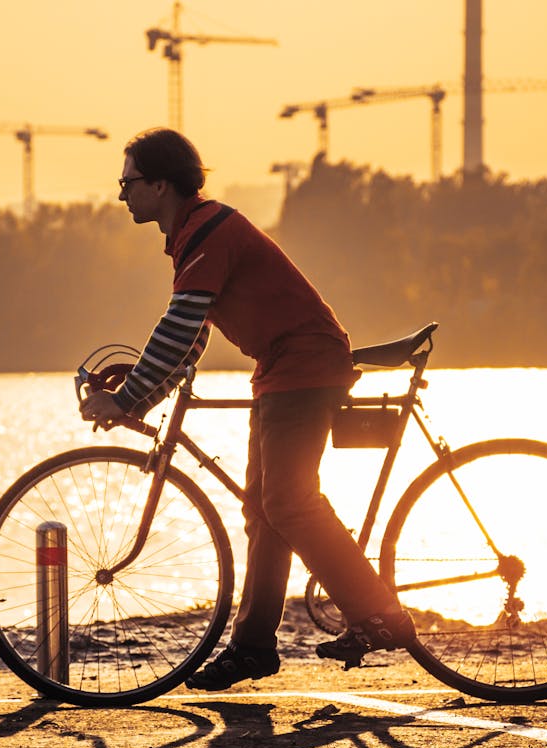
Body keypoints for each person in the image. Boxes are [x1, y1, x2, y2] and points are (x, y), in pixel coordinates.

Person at [78, 128, 415, 691]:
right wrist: (143, 397)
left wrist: (128, 395)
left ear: (160, 184)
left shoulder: (209, 230)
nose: (121, 195)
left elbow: (181, 323)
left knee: (288, 501)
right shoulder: (193, 234)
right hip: (280, 372)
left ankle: (381, 613)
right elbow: (192, 337)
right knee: (263, 510)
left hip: (304, 369)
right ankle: (253, 648)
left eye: (128, 182)